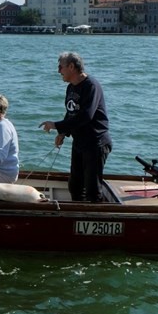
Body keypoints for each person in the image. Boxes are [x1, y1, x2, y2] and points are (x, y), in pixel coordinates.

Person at [40, 51, 112, 202]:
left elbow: (86, 116)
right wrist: (63, 133)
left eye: (61, 67)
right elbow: (71, 113)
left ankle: (94, 219)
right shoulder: (71, 87)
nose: (58, 71)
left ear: (71, 67)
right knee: (75, 186)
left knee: (92, 189)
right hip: (79, 142)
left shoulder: (91, 86)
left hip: (95, 143)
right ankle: (76, 217)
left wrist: (55, 125)